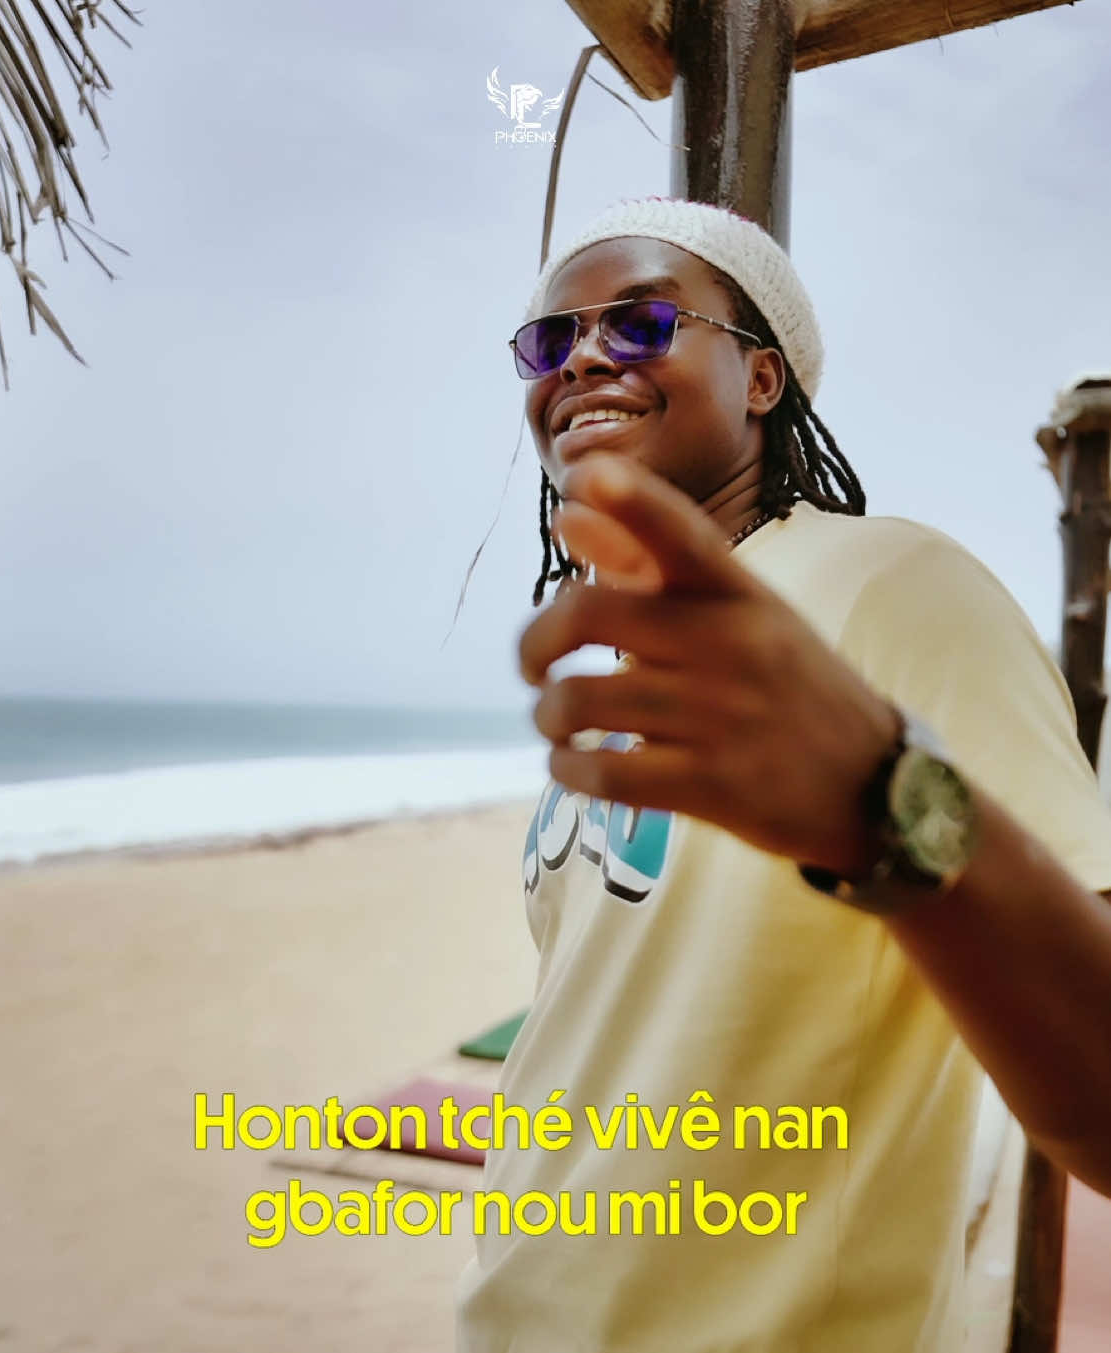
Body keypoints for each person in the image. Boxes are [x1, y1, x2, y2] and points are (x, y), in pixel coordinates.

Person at [454, 196, 1111, 1352]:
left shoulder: (892, 585)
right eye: (551, 341)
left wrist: (886, 804)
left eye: (643, 321)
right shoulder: (647, 663)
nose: (585, 357)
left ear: (762, 379)